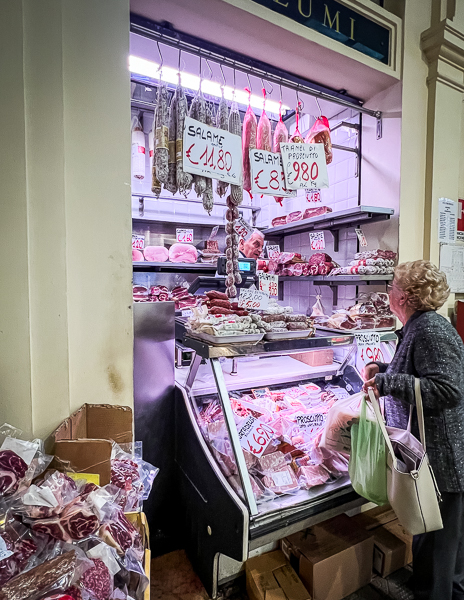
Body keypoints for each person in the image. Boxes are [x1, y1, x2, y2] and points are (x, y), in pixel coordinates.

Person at [362, 260, 464, 600]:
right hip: (432, 456)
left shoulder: (431, 329)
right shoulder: (419, 326)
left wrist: (389, 382)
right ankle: (434, 590)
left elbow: (448, 390)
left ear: (406, 296)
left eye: (392, 286)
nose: (388, 291)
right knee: (433, 534)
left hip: (443, 458)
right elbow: (421, 370)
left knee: (439, 546)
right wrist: (385, 367)